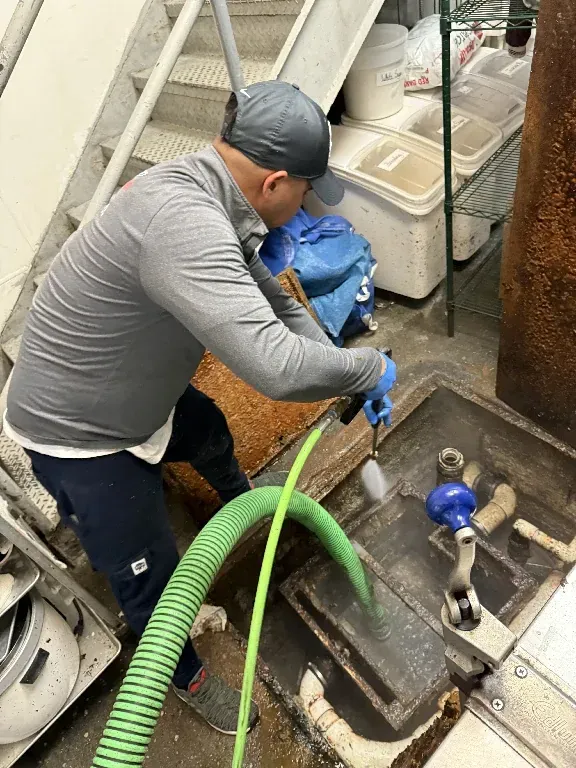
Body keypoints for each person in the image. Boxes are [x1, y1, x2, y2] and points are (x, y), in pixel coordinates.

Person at [3, 81, 396, 734]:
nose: (306, 204)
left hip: (127, 383)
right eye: (305, 191)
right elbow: (275, 365)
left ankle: (243, 504)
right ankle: (184, 674)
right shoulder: (184, 224)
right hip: (80, 433)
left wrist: (345, 374)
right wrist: (373, 366)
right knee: (149, 576)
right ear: (275, 183)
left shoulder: (211, 191)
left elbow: (278, 304)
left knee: (207, 429)